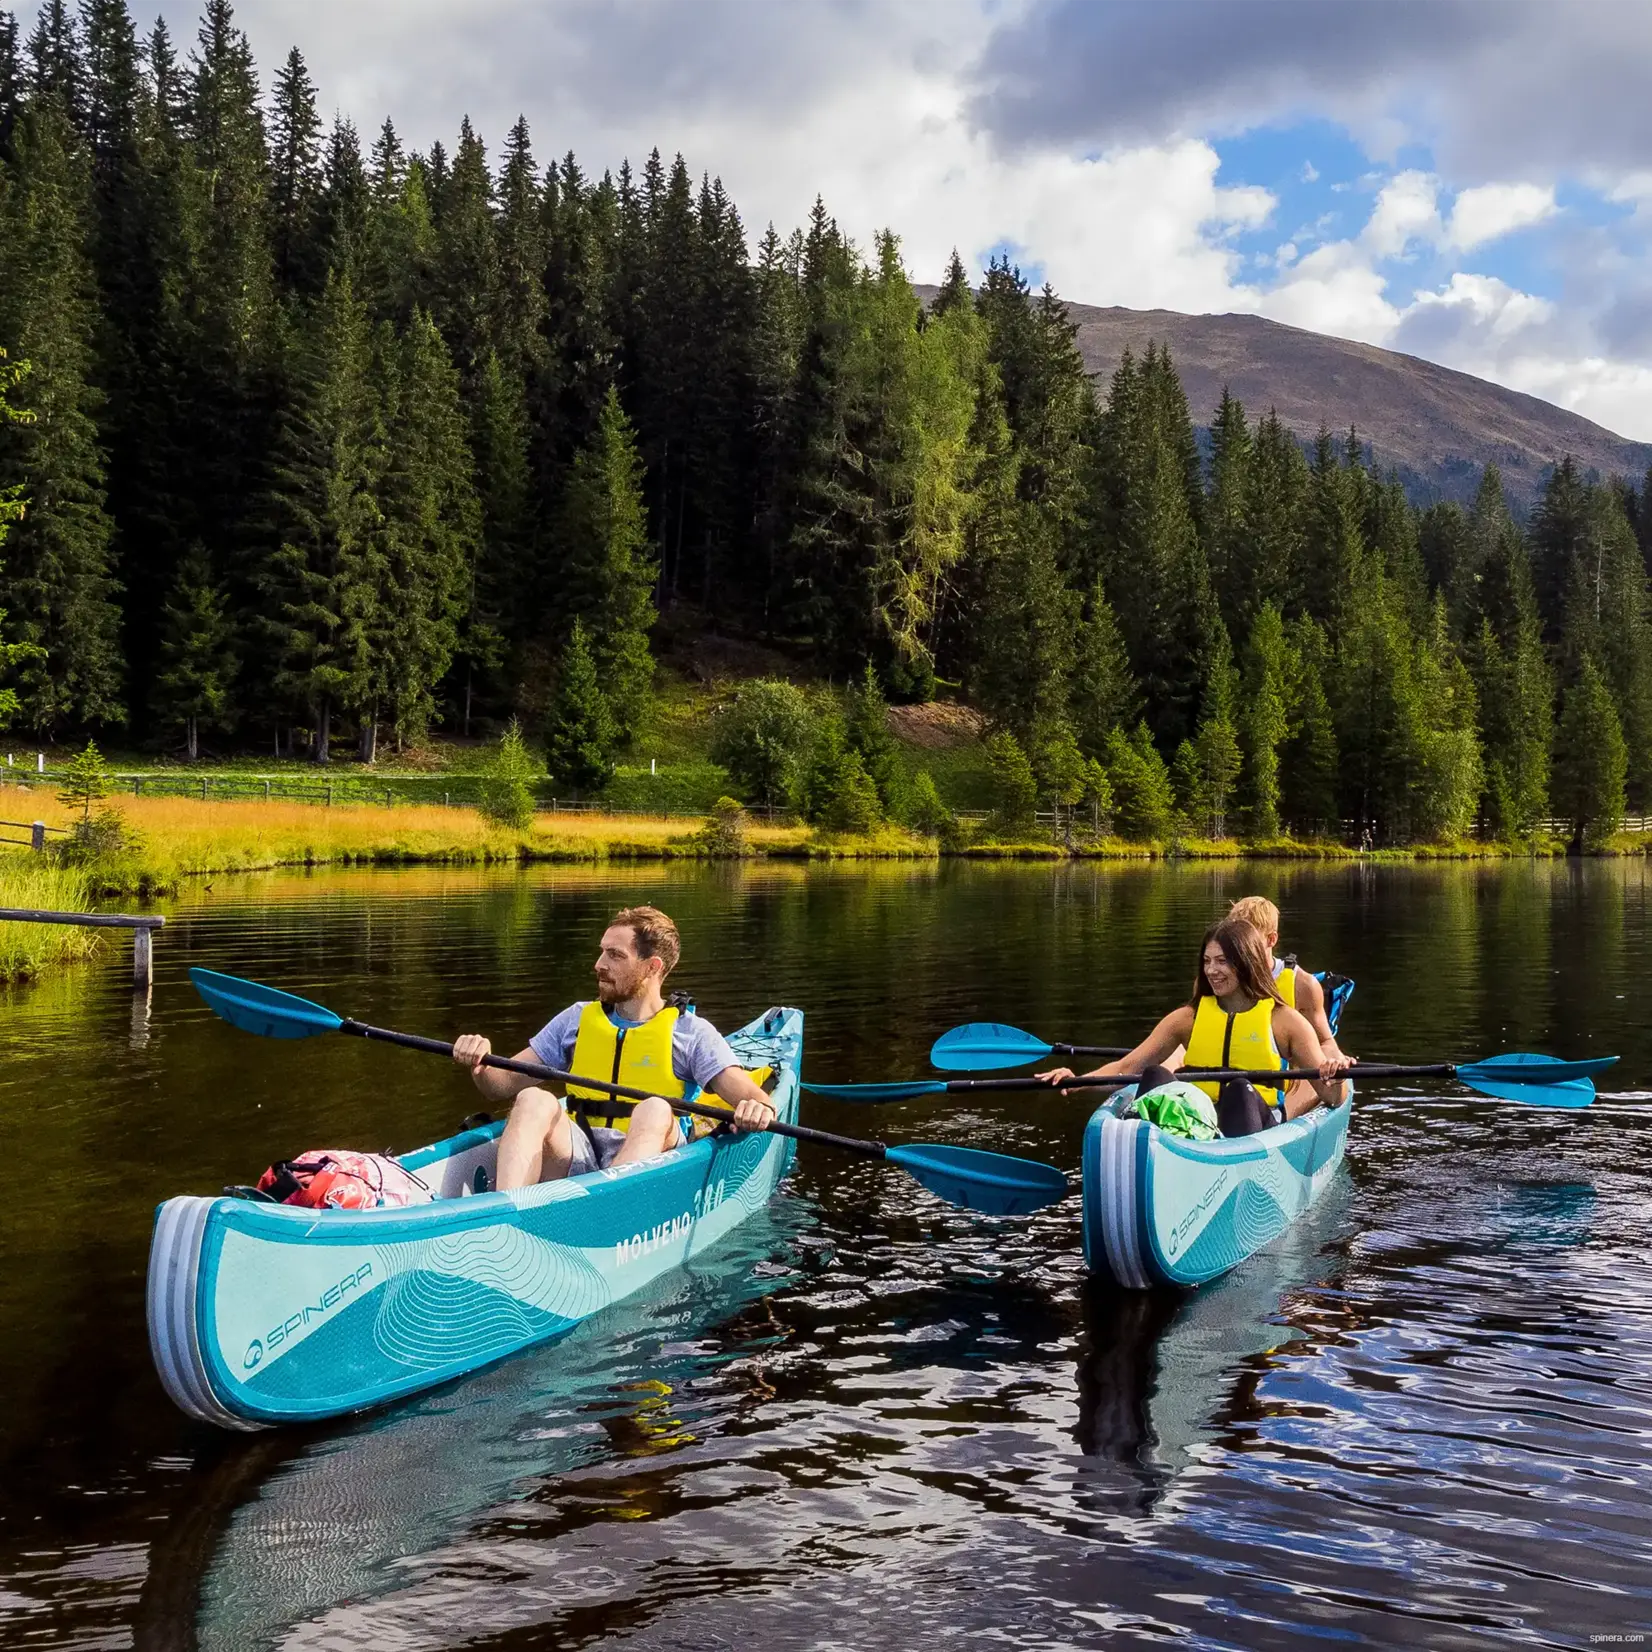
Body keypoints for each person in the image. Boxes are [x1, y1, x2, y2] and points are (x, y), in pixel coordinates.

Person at [451, 905, 777, 1189]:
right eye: (602, 951)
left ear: (652, 968)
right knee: (532, 1099)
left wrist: (755, 1110)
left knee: (655, 1108)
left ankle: (612, 1212)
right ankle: (508, 1215)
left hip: (650, 1156)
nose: (598, 964)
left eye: (615, 955)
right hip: (578, 1148)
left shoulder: (691, 1033)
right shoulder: (576, 1020)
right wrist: (479, 1063)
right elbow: (498, 1085)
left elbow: (756, 1100)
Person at [1038, 917, 1353, 1137]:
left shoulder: (1284, 1021)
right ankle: (1149, 1150)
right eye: (1207, 961)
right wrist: (1077, 1080)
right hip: (1198, 1123)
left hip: (1254, 1130)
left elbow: (1332, 1096)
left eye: (1223, 961)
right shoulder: (1186, 1018)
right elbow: (1128, 1065)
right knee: (1155, 1076)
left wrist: (1334, 1075)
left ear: (1246, 963)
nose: (1212, 970)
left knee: (1239, 1091)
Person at [1226, 894, 1350, 1062]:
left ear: (1271, 940)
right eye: (1234, 939)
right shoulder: (1219, 980)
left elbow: (1326, 1042)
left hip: (1288, 1082)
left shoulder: (1304, 985)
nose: (1238, 947)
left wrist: (1334, 1061)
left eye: (1248, 940)